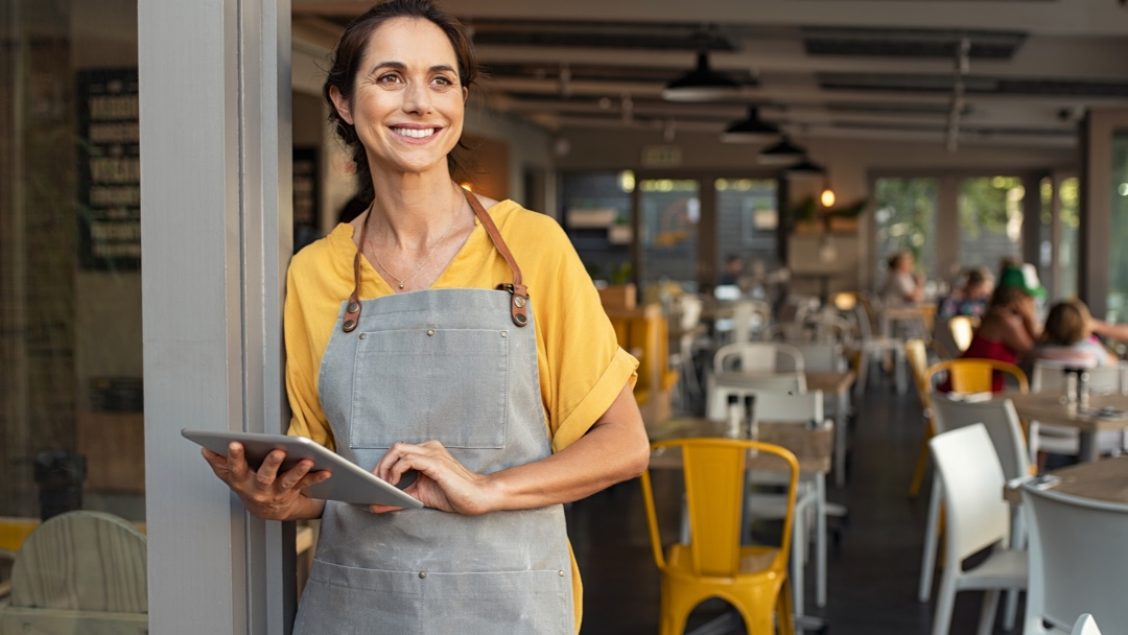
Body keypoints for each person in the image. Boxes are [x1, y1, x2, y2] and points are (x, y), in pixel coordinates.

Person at [199, 2, 650, 632]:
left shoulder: (531, 248)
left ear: (460, 101)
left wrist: (487, 490)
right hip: (357, 608)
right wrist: (278, 500)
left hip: (509, 610)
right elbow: (324, 472)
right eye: (389, 78)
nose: (419, 102)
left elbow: (625, 445)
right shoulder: (314, 272)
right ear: (344, 103)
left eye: (440, 80)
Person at [959, 263, 1043, 391]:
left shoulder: (997, 314)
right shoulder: (1004, 320)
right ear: (1017, 296)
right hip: (969, 392)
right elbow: (1035, 352)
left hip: (977, 389)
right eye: (1029, 296)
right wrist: (1029, 317)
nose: (1033, 301)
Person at [1036, 299, 1117, 368]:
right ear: (1083, 326)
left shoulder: (1040, 350)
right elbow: (1114, 363)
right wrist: (1093, 340)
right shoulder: (1092, 350)